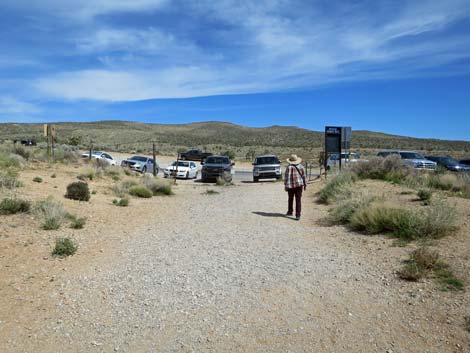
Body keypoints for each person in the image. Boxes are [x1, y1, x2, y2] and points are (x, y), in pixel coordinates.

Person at [284, 154, 306, 220]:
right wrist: (305, 184)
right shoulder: (301, 166)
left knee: (290, 199)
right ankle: (298, 215)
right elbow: (304, 176)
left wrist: (285, 185)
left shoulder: (288, 167)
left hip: (290, 186)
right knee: (298, 200)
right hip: (299, 186)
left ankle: (290, 211)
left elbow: (286, 177)